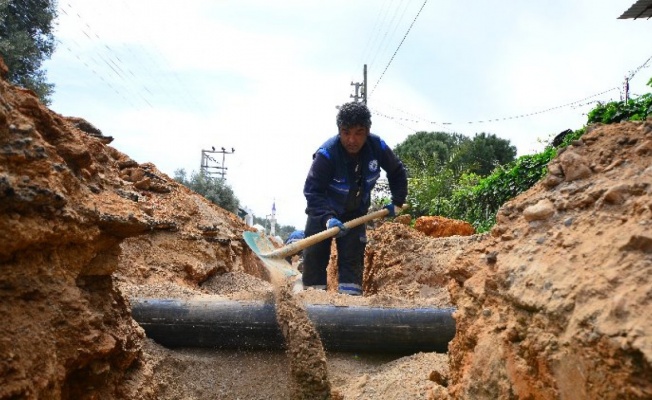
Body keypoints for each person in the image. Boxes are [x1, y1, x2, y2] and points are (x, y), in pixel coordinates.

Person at [301, 101, 408, 295]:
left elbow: (397, 171)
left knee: (352, 268)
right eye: (346, 132)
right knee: (314, 265)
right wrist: (327, 219)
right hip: (322, 216)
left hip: (355, 215)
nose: (352, 139)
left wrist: (397, 200)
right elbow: (312, 192)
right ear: (339, 131)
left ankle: (348, 310)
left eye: (359, 132)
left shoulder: (378, 148)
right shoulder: (326, 155)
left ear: (367, 131)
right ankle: (313, 307)